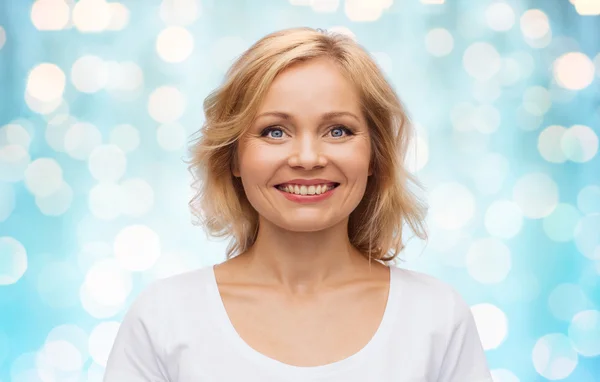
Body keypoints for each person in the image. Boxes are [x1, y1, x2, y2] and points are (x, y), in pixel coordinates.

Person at [103, 27, 493, 381]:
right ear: (234, 157)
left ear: (374, 156)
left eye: (338, 130)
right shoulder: (164, 318)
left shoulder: (436, 318)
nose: (307, 158)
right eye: (275, 131)